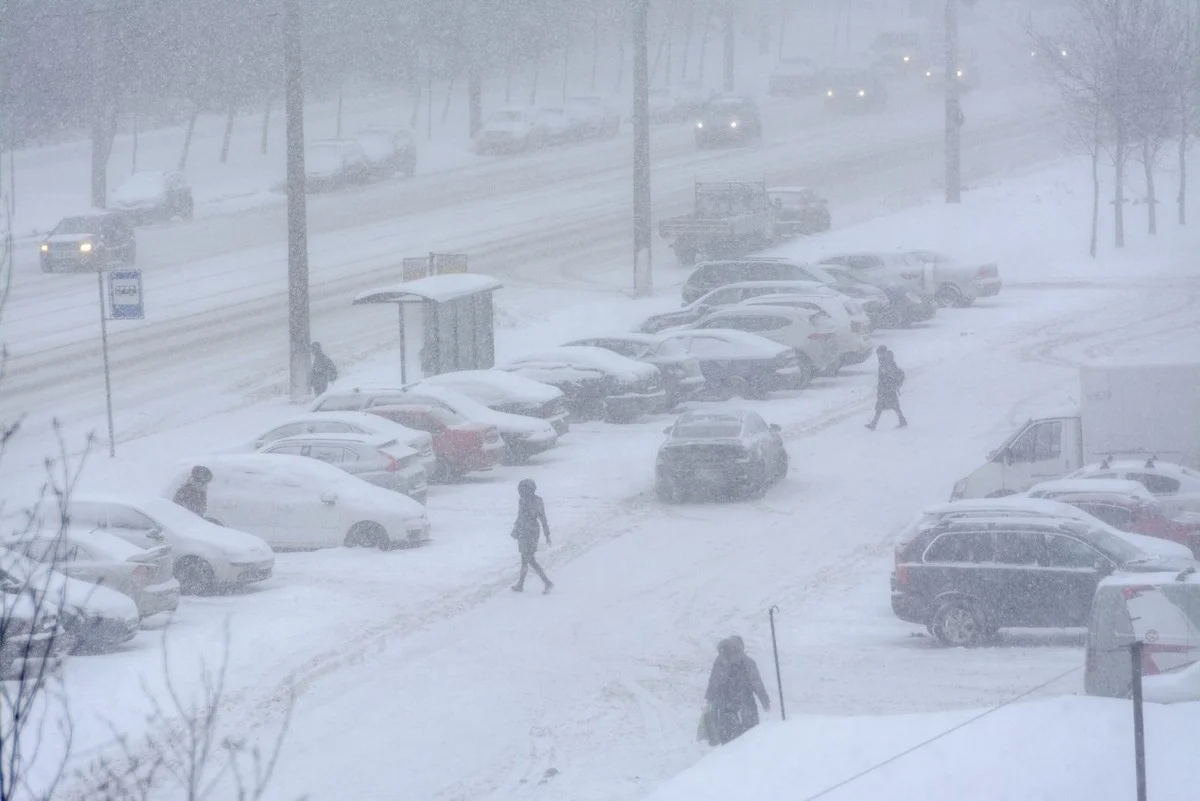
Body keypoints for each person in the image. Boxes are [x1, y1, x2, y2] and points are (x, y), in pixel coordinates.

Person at [704, 635, 770, 745]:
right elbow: (756, 681)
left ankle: (730, 758)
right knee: (751, 736)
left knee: (729, 740)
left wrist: (710, 700)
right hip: (746, 703)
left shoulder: (719, 662)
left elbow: (713, 682)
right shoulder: (746, 661)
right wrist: (764, 699)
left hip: (725, 706)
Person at [511, 478, 553, 594]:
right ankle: (521, 584)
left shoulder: (537, 501)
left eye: (524, 490)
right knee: (525, 559)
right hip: (523, 531)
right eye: (521, 490)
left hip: (531, 532)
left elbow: (543, 518)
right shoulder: (522, 500)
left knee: (529, 559)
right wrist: (516, 528)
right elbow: (520, 516)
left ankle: (547, 582)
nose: (522, 492)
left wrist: (547, 534)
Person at [866, 345, 907, 430]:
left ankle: (874, 424)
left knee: (883, 406)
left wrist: (887, 384)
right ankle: (902, 420)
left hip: (887, 388)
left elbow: (889, 375)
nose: (878, 356)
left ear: (883, 353)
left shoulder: (887, 362)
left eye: (879, 354)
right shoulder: (884, 361)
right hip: (886, 388)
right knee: (892, 406)